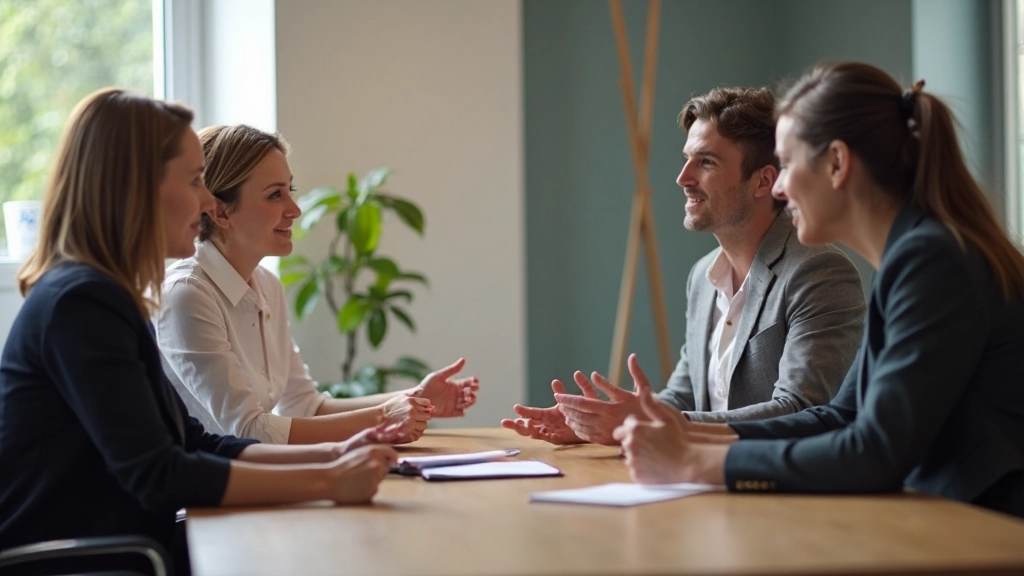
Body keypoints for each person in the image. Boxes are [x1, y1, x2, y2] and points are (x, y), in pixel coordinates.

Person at [0, 89, 403, 575]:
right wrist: (326, 482)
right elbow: (160, 475)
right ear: (137, 188)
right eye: (195, 181)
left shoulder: (105, 294)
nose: (210, 201)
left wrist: (331, 456)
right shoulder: (81, 303)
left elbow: (192, 441)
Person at [615, 62, 1024, 519]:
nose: (781, 186)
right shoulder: (913, 257)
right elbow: (838, 417)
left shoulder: (931, 260)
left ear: (836, 163)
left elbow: (875, 453)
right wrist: (685, 433)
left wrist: (696, 461)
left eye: (787, 164)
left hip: (992, 533)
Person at [503, 87, 865, 445]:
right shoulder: (702, 277)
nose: (683, 177)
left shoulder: (818, 272)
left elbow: (801, 410)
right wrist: (595, 422)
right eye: (687, 158)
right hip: (704, 483)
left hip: (780, 492)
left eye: (706, 162)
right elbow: (683, 396)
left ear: (764, 181)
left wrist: (645, 423)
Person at [155, 124, 478, 446]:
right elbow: (248, 430)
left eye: (289, 191)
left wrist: (417, 398)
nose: (295, 210)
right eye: (274, 195)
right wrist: (384, 417)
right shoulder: (187, 294)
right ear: (221, 211)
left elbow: (304, 406)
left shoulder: (266, 285)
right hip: (205, 491)